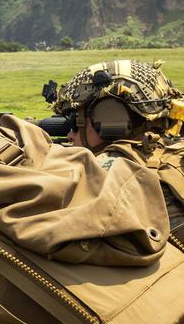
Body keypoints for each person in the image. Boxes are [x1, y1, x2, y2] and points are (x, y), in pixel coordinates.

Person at [50, 59, 184, 230]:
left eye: (75, 121)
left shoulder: (107, 174)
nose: (70, 134)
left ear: (109, 117)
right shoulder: (174, 155)